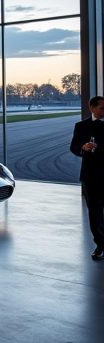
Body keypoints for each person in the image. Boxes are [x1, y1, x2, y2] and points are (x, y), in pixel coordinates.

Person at [70, 96, 104, 261]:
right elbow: (73, 147)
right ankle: (100, 245)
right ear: (92, 108)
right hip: (91, 176)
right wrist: (83, 147)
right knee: (95, 214)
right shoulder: (81, 126)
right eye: (102, 108)